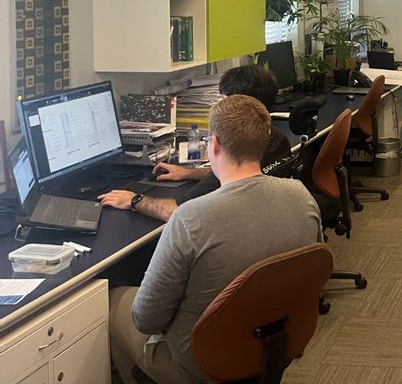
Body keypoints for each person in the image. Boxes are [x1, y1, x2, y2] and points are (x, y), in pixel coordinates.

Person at [108, 94, 323, 384]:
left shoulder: (191, 218)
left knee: (113, 300)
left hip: (201, 365)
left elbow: (147, 319)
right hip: (273, 346)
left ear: (215, 144)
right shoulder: (301, 196)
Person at [98, 64, 292, 221]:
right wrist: (188, 173)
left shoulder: (235, 151)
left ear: (240, 107)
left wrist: (134, 200)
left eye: (224, 100)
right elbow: (241, 172)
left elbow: (177, 211)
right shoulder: (277, 138)